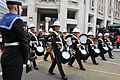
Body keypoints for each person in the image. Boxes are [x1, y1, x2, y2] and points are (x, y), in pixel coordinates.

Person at [0, 0, 30, 80]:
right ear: (16, 7)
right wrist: (27, 59)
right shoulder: (17, 21)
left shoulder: (3, 19)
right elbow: (24, 42)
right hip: (15, 58)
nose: (22, 10)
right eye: (21, 8)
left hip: (6, 56)